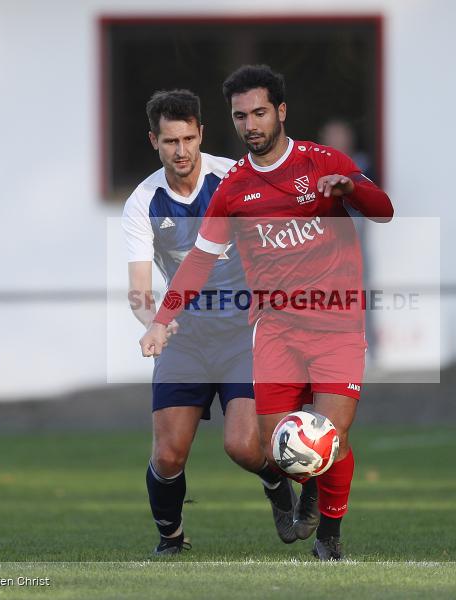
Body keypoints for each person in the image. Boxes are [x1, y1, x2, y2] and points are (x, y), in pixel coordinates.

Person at [139, 65, 394, 561]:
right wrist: (162, 319)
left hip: (337, 324)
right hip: (275, 331)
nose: (250, 124)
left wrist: (352, 190)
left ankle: (329, 539)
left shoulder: (323, 163)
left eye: (259, 112)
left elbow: (383, 209)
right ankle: (303, 488)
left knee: (329, 436)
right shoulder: (233, 189)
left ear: (280, 111)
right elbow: (197, 262)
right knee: (276, 445)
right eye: (240, 116)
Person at [122, 90, 295, 555]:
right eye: (170, 141)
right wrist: (152, 322)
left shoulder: (233, 179)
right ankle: (171, 539)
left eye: (188, 139)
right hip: (184, 334)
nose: (181, 151)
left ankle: (276, 483)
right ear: (153, 141)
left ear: (201, 134)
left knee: (242, 446)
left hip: (242, 332)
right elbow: (140, 287)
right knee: (168, 454)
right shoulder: (143, 202)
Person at [318, 119, 379, 360]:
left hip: (353, 229)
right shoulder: (313, 166)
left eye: (341, 135)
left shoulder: (361, 165)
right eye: (332, 135)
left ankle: (369, 349)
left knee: (360, 290)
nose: (337, 141)